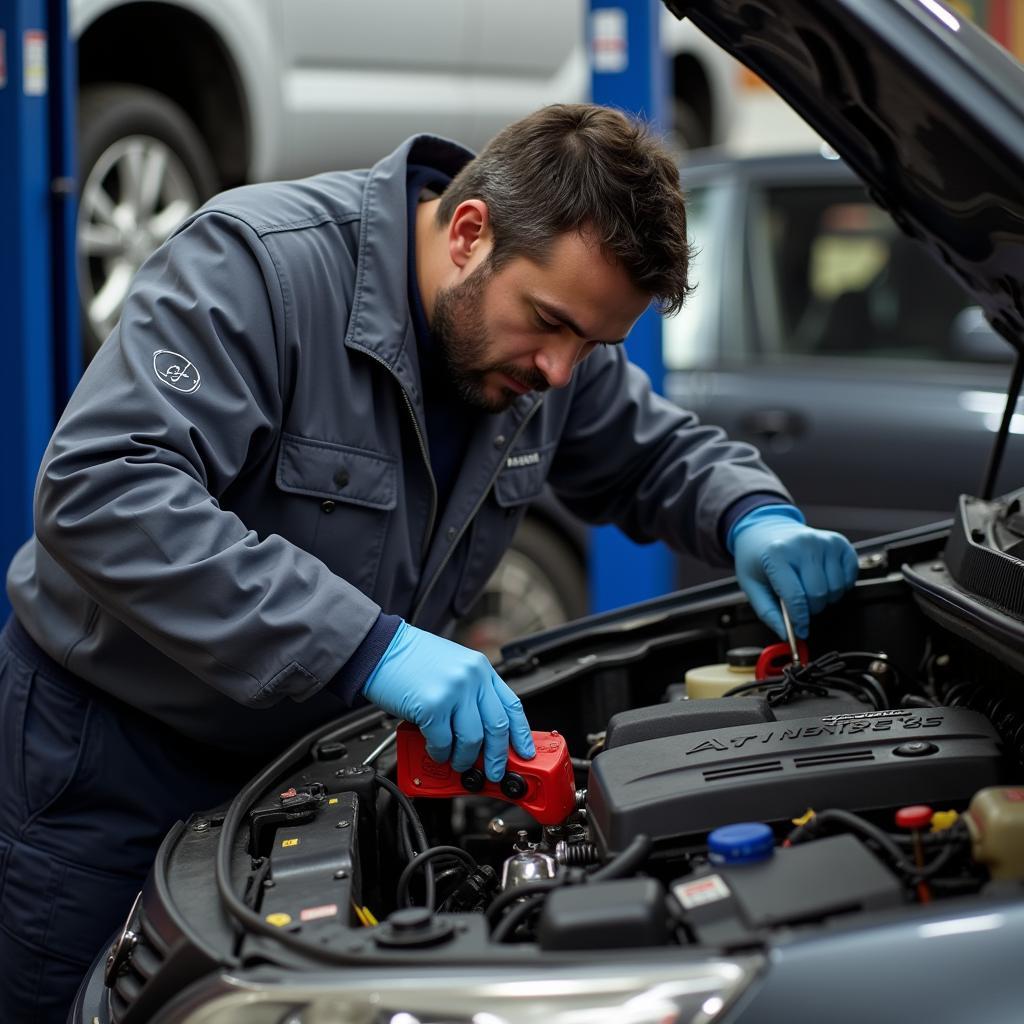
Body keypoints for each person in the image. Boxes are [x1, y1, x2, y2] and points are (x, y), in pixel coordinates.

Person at [0, 103, 857, 1020]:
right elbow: (104, 489)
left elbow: (655, 454)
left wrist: (753, 515)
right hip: (111, 775)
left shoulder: (544, 346)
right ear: (469, 231)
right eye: (550, 324)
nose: (562, 373)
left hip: (297, 780)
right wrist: (372, 648)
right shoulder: (258, 268)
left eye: (592, 345)